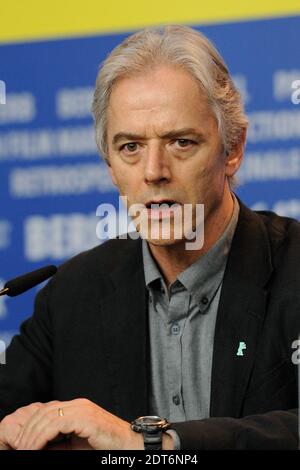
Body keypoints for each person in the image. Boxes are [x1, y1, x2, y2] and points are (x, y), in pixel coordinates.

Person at [0, 25, 299, 451]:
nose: (153, 171)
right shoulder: (73, 293)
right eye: (130, 147)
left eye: (180, 142)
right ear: (109, 164)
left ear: (233, 149)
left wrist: (157, 443)